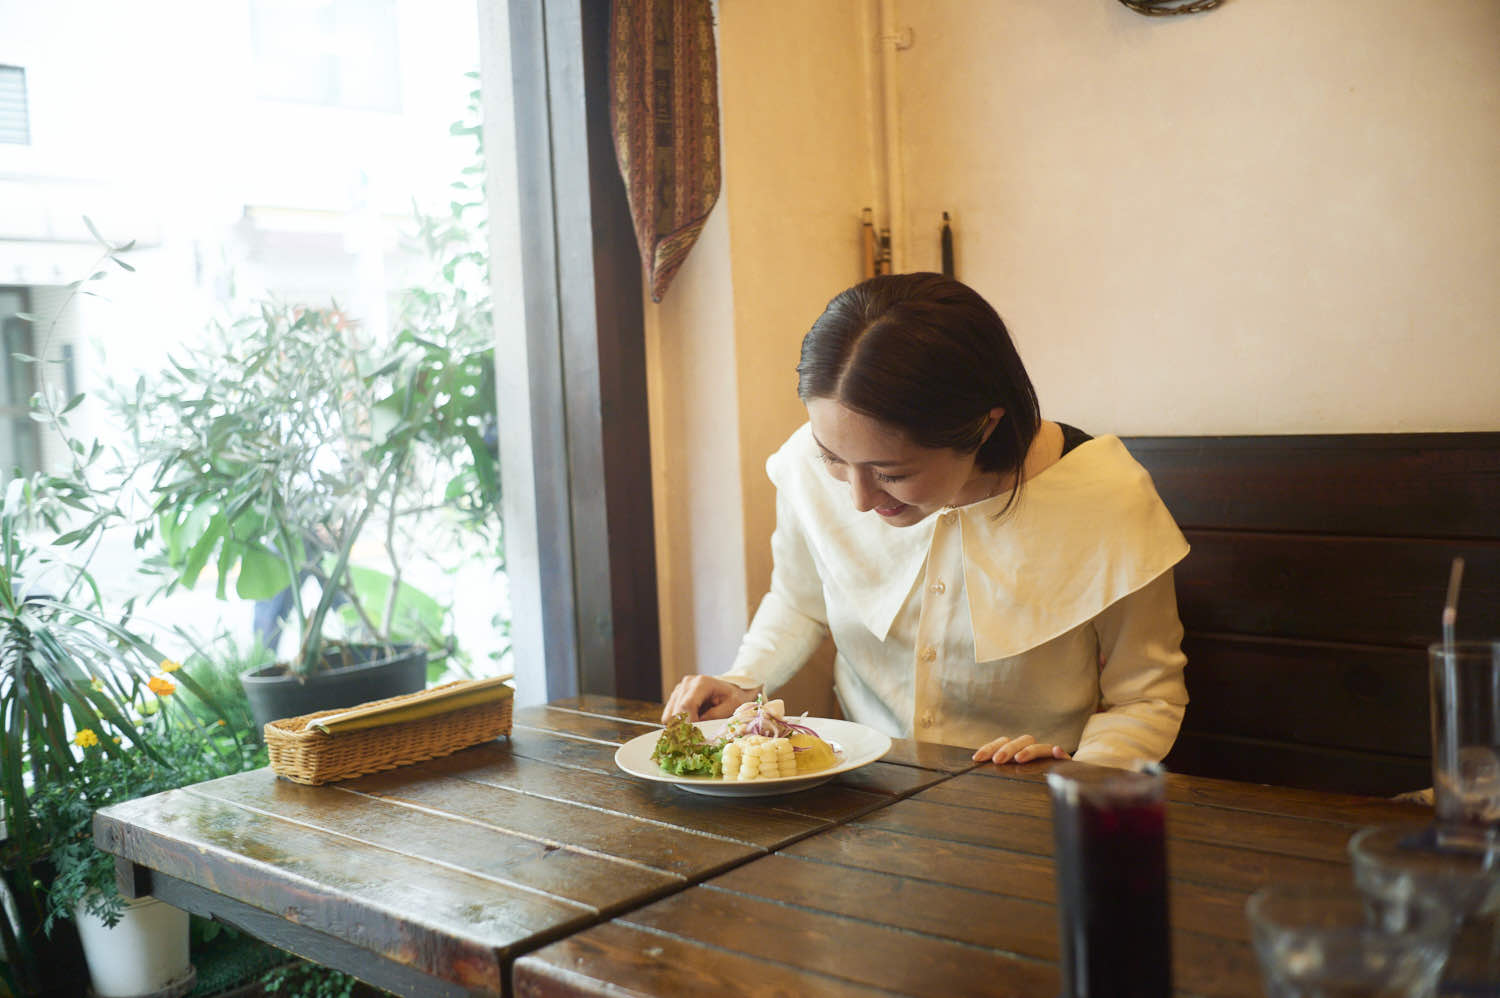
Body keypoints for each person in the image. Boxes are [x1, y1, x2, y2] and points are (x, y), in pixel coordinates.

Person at [661, 273, 1190, 770]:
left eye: (891, 473)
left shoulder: (1101, 499)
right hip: (862, 789)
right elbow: (799, 602)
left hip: (1029, 812)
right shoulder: (811, 466)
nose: (860, 498)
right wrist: (744, 681)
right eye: (833, 459)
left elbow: (1146, 696)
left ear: (984, 427)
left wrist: (1082, 778)